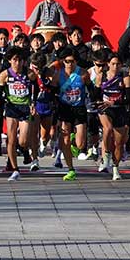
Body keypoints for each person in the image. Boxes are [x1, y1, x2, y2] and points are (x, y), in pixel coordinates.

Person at [92, 51, 130, 181]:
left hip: (119, 109)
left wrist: (114, 101)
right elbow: (95, 95)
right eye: (113, 64)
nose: (115, 67)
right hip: (105, 109)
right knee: (107, 128)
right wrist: (100, 102)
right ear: (108, 64)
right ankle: (106, 154)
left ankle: (115, 167)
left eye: (118, 64)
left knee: (119, 143)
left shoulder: (125, 77)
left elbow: (128, 98)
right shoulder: (101, 76)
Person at [0, 47, 36, 181]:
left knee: (23, 140)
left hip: (25, 107)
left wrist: (33, 103)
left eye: (20, 60)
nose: (17, 63)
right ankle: (15, 169)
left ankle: (25, 150)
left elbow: (35, 89)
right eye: (14, 60)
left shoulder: (30, 73)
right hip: (11, 108)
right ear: (9, 60)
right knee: (11, 140)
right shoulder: (5, 74)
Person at [53, 47, 89, 182]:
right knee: (65, 140)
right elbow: (52, 89)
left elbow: (91, 88)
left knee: (80, 144)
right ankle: (71, 169)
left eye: (72, 61)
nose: (70, 64)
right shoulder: (58, 74)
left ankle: (76, 140)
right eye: (67, 61)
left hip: (79, 108)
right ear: (63, 61)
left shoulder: (83, 74)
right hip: (65, 108)